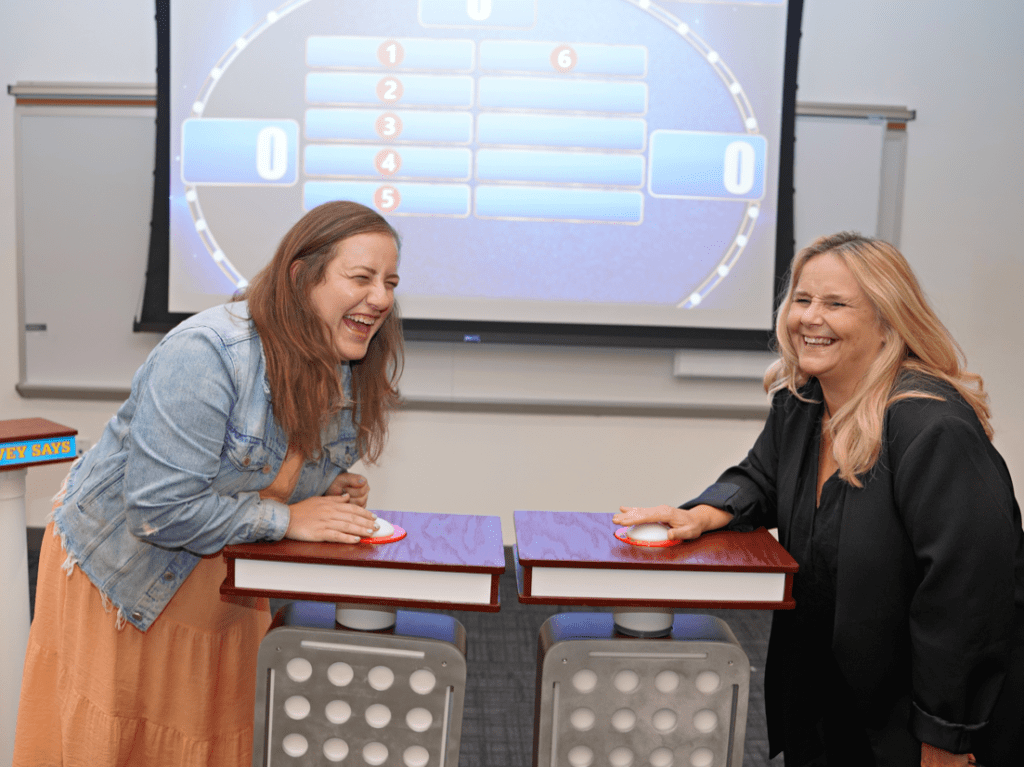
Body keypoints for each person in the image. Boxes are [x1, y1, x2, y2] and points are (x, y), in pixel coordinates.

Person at [13, 200, 404, 765]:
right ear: (301, 275)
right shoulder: (208, 352)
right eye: (362, 278)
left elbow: (256, 471)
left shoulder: (346, 363)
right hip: (128, 579)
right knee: (119, 744)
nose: (382, 299)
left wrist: (320, 487)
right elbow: (158, 510)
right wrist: (291, 518)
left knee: (212, 741)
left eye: (390, 282)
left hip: (224, 582)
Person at [615, 232, 1023, 767]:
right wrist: (701, 514)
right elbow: (763, 476)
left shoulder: (933, 428)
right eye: (803, 300)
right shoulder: (804, 401)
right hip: (827, 700)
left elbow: (968, 601)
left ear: (887, 321)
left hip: (916, 721)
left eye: (836, 304)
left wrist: (946, 737)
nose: (810, 317)